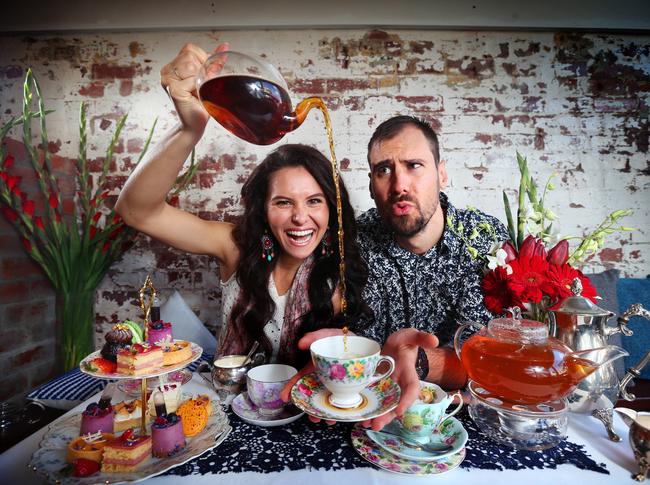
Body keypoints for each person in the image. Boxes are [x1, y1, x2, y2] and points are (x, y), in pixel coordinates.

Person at [115, 43, 370, 368]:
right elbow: (138, 211)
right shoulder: (235, 248)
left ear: (331, 209)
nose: (300, 217)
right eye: (283, 202)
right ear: (263, 208)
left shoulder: (339, 275)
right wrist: (190, 130)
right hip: (226, 405)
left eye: (314, 201)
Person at [282, 115, 508, 428]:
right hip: (364, 416)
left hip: (465, 419)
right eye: (384, 170)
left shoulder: (484, 240)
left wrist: (420, 361)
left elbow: (503, 360)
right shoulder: (353, 242)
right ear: (372, 186)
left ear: (442, 174)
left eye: (414, 165)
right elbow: (351, 342)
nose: (399, 185)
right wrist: (336, 349)